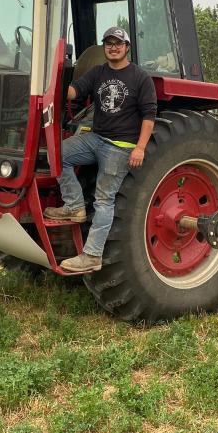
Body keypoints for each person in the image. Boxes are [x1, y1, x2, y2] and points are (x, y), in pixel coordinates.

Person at [44, 26, 157, 272]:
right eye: (108, 43)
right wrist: (57, 83)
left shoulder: (140, 77)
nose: (113, 47)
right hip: (96, 138)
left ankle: (92, 256)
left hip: (121, 146)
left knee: (104, 200)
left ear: (127, 47)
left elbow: (149, 116)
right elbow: (75, 92)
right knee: (57, 153)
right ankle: (74, 206)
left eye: (118, 43)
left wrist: (140, 148)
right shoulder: (99, 73)